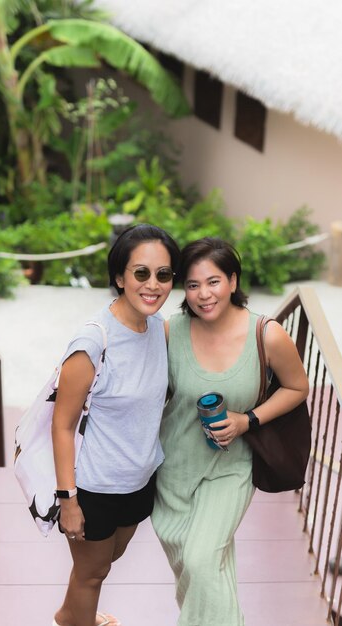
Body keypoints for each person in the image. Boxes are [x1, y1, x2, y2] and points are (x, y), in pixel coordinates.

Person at [152, 237, 309, 626]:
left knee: (203, 559)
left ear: (233, 281)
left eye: (213, 281)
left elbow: (297, 387)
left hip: (230, 468)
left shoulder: (266, 335)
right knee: (197, 573)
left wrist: (247, 420)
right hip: (174, 469)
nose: (203, 294)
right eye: (192, 285)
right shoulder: (171, 332)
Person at [51, 223, 180, 626]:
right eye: (141, 273)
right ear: (120, 277)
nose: (153, 284)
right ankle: (78, 620)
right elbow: (62, 425)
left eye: (163, 274)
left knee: (105, 562)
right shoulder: (93, 342)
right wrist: (68, 500)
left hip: (139, 478)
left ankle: (69, 615)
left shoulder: (160, 329)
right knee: (93, 572)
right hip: (94, 487)